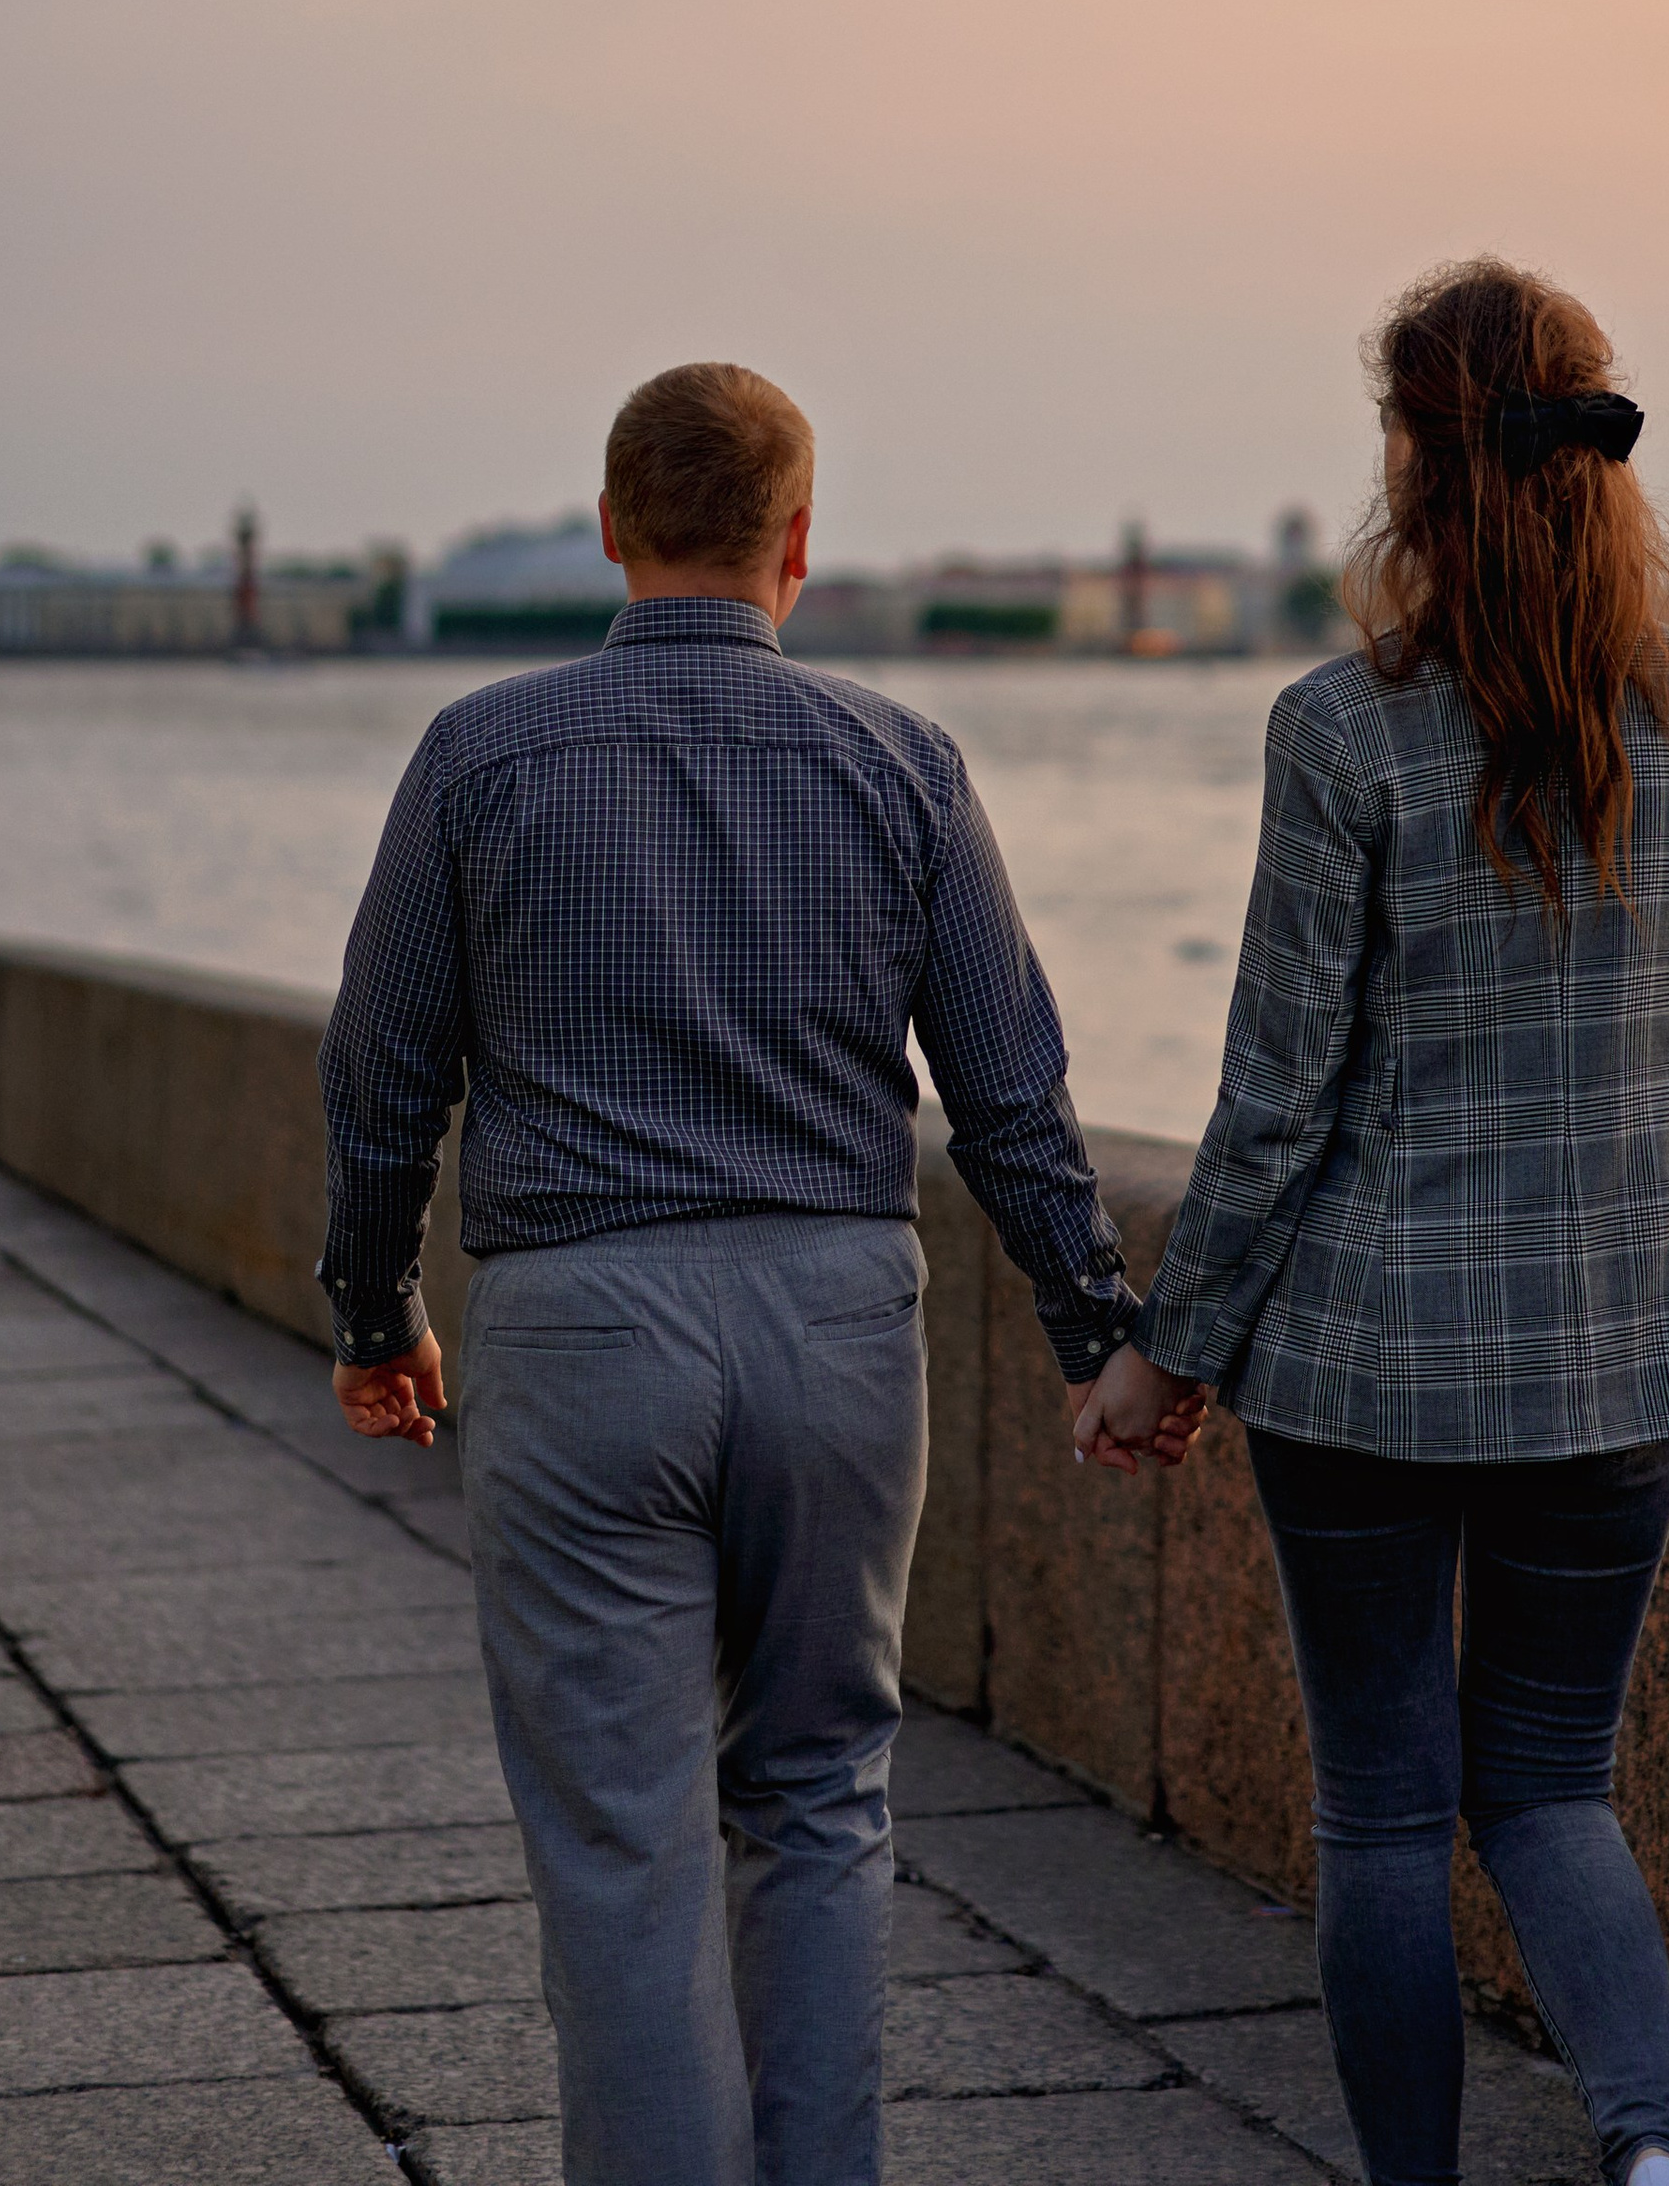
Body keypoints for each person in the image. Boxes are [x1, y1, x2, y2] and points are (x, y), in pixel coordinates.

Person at [318, 360, 1195, 2186]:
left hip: (580, 1327)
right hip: (835, 1324)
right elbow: (1009, 1096)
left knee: (626, 1839)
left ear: (615, 529)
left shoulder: (482, 752)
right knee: (818, 1803)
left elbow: (383, 1077)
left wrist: (374, 1312)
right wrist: (1098, 1330)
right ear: (800, 541)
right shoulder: (902, 760)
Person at [1077, 261, 1669, 2186]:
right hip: (1616, 1352)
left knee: (1389, 1818)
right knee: (1558, 1786)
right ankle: (1648, 2156)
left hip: (1365, 1372)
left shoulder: (1340, 733)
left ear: (1412, 463)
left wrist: (1172, 1348)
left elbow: (1277, 1096)